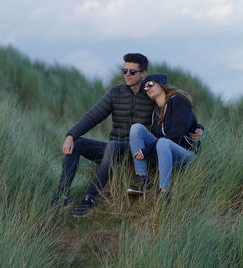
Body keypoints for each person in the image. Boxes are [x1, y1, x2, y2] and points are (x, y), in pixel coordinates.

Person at [52, 53, 203, 217]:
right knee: (79, 144)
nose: (127, 75)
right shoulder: (115, 93)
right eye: (125, 71)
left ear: (143, 74)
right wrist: (71, 135)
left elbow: (177, 114)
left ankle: (89, 199)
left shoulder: (151, 96)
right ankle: (62, 195)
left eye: (132, 72)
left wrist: (198, 127)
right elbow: (93, 116)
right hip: (114, 149)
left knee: (113, 145)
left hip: (138, 151)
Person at [128, 74, 201, 198]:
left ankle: (164, 192)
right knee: (136, 128)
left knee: (163, 142)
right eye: (145, 87)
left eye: (150, 84)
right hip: (165, 155)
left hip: (186, 157)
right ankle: (143, 180)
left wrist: (146, 151)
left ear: (161, 84)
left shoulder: (177, 101)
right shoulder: (155, 111)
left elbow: (178, 132)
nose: (148, 89)